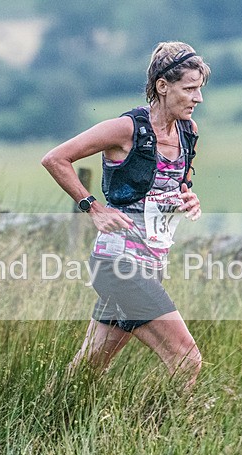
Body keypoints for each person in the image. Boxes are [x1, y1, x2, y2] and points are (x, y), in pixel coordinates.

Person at [41, 41, 210, 391]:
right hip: (119, 264)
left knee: (87, 370)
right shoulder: (126, 129)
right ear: (163, 86)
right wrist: (93, 208)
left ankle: (41, 420)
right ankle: (167, 435)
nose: (198, 98)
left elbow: (177, 188)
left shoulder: (188, 133)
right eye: (190, 88)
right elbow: (55, 159)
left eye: (200, 89)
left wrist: (188, 200)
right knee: (186, 358)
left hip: (151, 264)